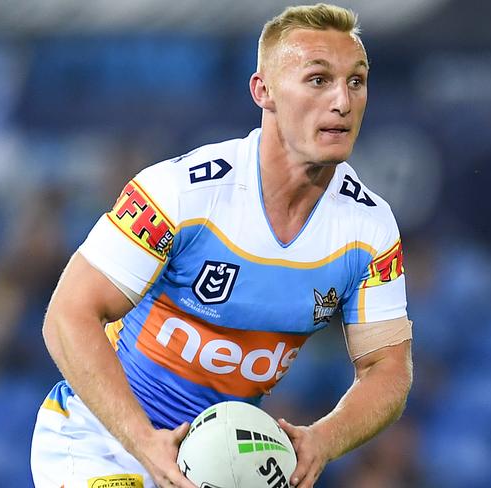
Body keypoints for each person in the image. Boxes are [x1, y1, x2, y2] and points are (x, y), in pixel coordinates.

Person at [31, 3, 413, 488]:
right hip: (105, 442)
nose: (342, 100)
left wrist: (323, 440)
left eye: (356, 81)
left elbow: (388, 369)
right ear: (264, 91)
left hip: (223, 467)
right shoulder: (181, 194)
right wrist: (145, 442)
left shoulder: (370, 229)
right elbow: (67, 315)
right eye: (318, 80)